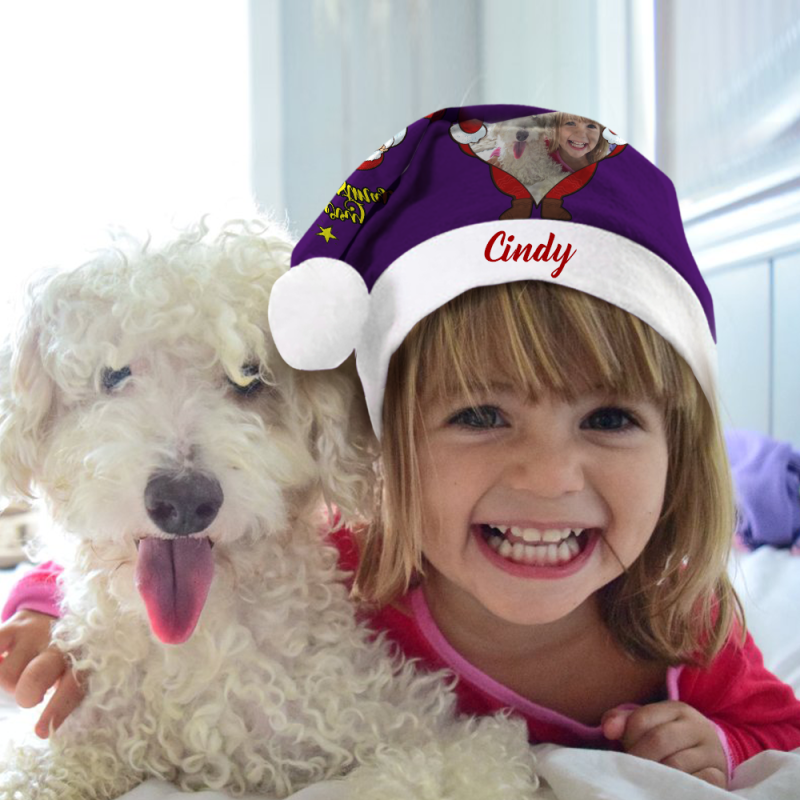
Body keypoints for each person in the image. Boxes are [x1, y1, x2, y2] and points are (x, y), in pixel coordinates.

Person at [3, 103, 800, 791]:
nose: (549, 476)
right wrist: (42, 608)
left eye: (611, 419)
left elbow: (776, 727)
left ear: (680, 451)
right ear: (389, 442)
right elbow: (157, 544)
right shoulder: (364, 562)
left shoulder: (683, 621)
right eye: (482, 414)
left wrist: (720, 745)